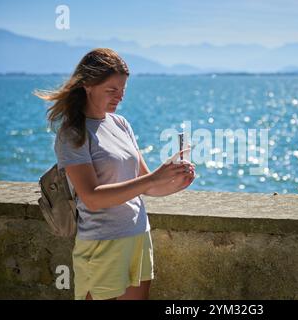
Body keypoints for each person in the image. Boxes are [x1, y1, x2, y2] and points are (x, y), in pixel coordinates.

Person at [35, 48, 195, 300]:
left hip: (137, 236)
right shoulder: (72, 134)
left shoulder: (121, 124)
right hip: (102, 244)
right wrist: (153, 178)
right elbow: (92, 198)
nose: (119, 97)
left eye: (123, 90)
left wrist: (175, 181)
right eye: (112, 90)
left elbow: (146, 187)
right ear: (88, 85)